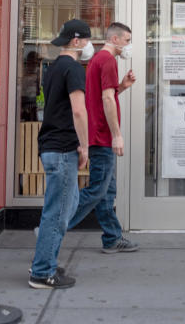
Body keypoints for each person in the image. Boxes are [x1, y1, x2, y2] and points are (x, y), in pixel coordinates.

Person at [29, 19, 92, 289]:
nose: (90, 46)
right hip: (64, 147)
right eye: (88, 40)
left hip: (51, 146)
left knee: (67, 206)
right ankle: (42, 271)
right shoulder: (74, 69)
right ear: (76, 41)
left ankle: (46, 258)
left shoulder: (53, 68)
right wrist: (85, 146)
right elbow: (78, 110)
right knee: (57, 213)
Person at [67, 22, 137, 253]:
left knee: (107, 191)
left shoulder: (98, 60)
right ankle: (55, 227)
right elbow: (107, 101)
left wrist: (122, 87)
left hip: (98, 134)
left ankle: (112, 238)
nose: (128, 45)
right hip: (102, 136)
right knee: (97, 189)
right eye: (127, 40)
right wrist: (117, 135)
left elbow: (103, 96)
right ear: (115, 39)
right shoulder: (107, 61)